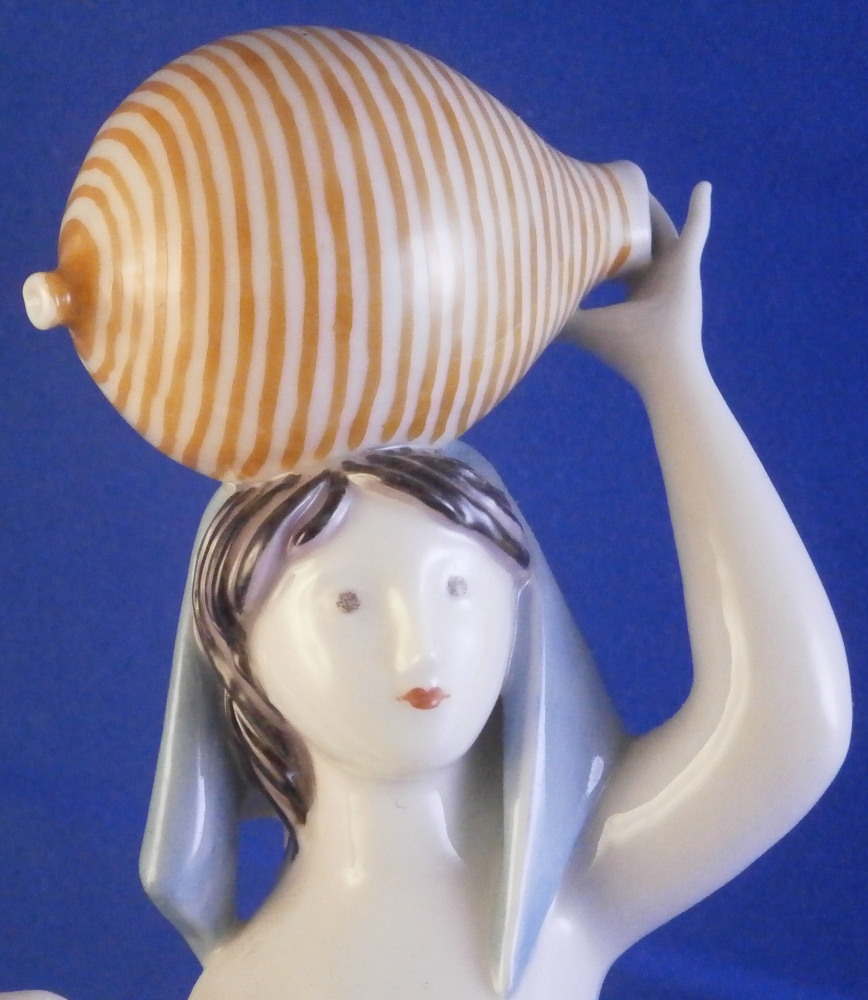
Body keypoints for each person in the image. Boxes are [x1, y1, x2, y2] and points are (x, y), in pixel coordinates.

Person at [134, 184, 851, 999]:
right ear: (237, 650)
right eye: (349, 603)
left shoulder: (571, 886)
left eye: (456, 589)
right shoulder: (245, 978)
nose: (421, 647)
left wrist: (674, 376)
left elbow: (791, 724)